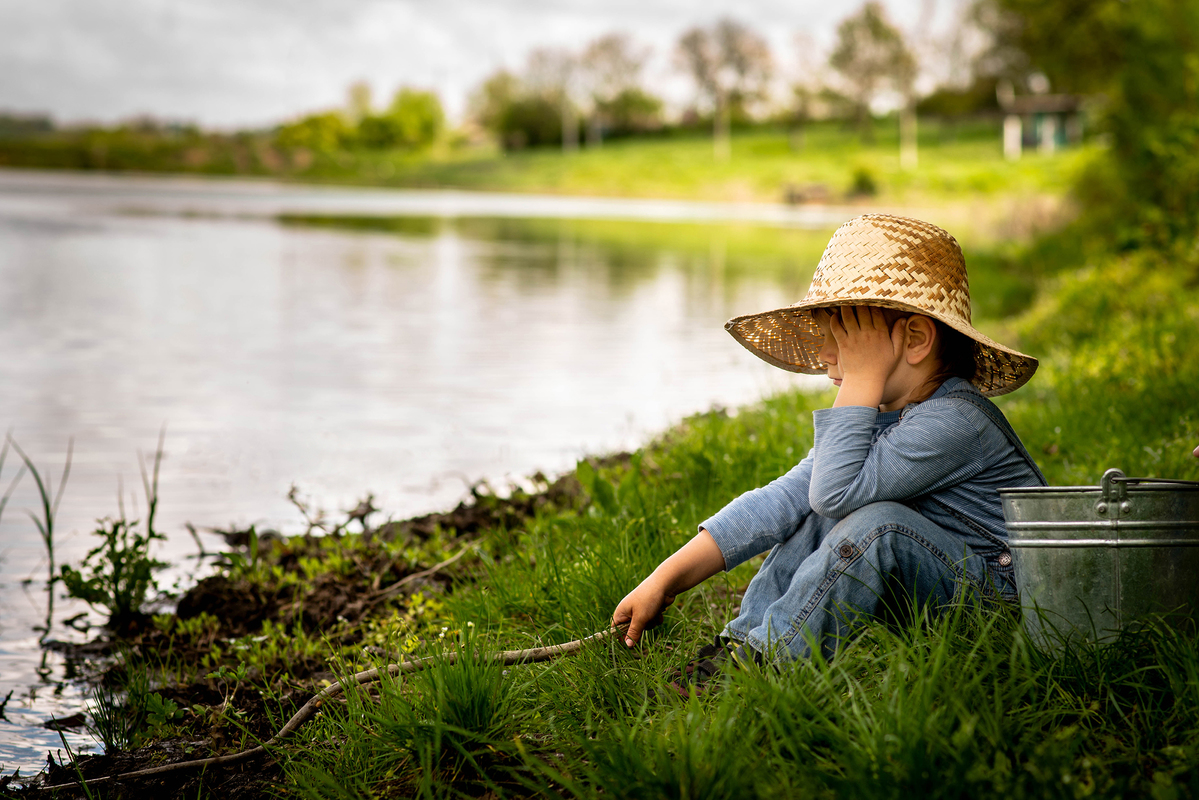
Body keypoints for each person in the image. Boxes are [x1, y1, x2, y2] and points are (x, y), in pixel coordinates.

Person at [612, 214, 1048, 685]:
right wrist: (664, 579)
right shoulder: (886, 417)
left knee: (876, 525)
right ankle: (743, 643)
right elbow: (783, 500)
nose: (823, 356)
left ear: (916, 340)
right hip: (946, 586)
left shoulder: (956, 422)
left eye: (841, 340)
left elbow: (834, 494)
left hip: (1006, 610)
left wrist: (862, 378)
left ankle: (764, 665)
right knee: (817, 504)